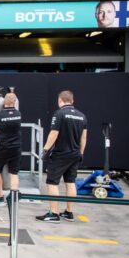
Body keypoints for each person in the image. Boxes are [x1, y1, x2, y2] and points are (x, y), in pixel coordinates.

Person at [37, 90, 87, 223]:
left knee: (52, 182)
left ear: (60, 100)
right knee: (70, 182)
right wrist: (81, 152)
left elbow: (54, 133)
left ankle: (53, 213)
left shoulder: (59, 114)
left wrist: (45, 149)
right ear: (72, 100)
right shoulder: (82, 116)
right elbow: (84, 137)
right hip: (75, 154)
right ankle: (69, 212)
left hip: (60, 155)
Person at [0, 92, 22, 206]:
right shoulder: (18, 114)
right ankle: (13, 196)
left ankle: (0, 195)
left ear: (4, 102)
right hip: (16, 148)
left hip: (2, 148)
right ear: (14, 102)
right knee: (14, 173)